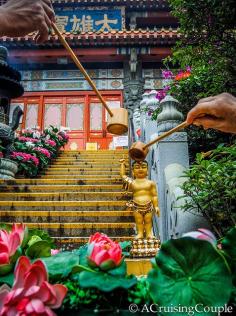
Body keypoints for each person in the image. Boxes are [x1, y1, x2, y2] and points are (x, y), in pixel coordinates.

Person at [120, 159, 160, 239]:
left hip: (149, 205)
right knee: (139, 221)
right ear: (133, 171)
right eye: (137, 167)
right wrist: (122, 164)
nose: (140, 169)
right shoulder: (132, 182)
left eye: (143, 167)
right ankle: (140, 233)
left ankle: (149, 234)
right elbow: (123, 176)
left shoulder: (151, 183)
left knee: (148, 221)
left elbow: (154, 195)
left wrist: (156, 206)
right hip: (136, 206)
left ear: (147, 170)